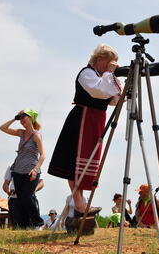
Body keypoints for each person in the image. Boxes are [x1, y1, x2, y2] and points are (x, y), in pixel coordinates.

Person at [48, 44, 122, 216]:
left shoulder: (102, 76)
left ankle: (81, 202)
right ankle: (79, 203)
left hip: (95, 119)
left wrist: (119, 87)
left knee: (87, 159)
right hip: (82, 119)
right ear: (99, 59)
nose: (111, 65)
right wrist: (110, 74)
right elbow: (99, 91)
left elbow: (112, 100)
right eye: (110, 61)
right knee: (75, 161)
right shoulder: (86, 73)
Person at [0, 109, 45, 229]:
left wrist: (36, 170)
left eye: (25, 116)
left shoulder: (36, 135)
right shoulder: (21, 133)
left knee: (27, 197)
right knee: (20, 199)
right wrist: (15, 118)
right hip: (17, 171)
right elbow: (2, 128)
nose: (22, 119)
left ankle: (38, 223)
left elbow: (43, 155)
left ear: (31, 118)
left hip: (31, 170)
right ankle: (24, 226)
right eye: (21, 118)